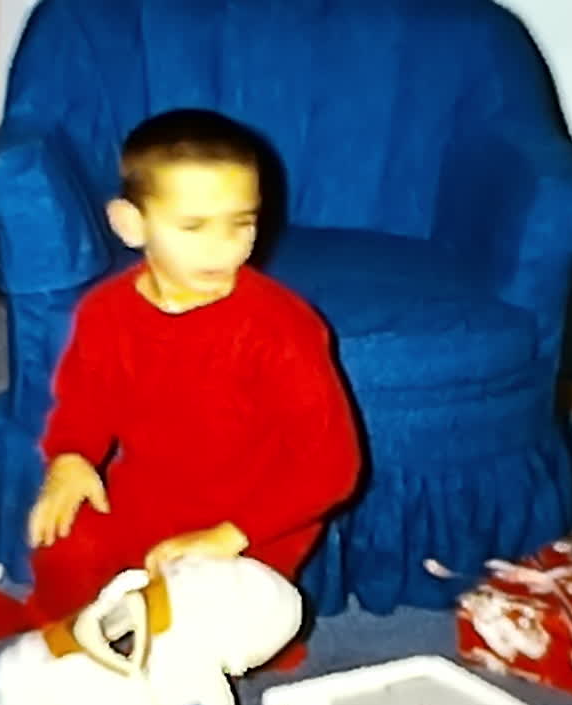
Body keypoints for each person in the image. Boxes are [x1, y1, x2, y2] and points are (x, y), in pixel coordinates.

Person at [24, 108, 361, 665]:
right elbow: (85, 400)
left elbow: (332, 466)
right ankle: (77, 652)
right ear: (132, 225)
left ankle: (221, 641)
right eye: (194, 227)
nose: (222, 248)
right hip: (149, 496)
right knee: (63, 546)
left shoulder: (282, 327)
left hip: (256, 521)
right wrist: (72, 457)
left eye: (241, 224)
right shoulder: (106, 312)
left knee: (195, 627)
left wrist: (228, 536)